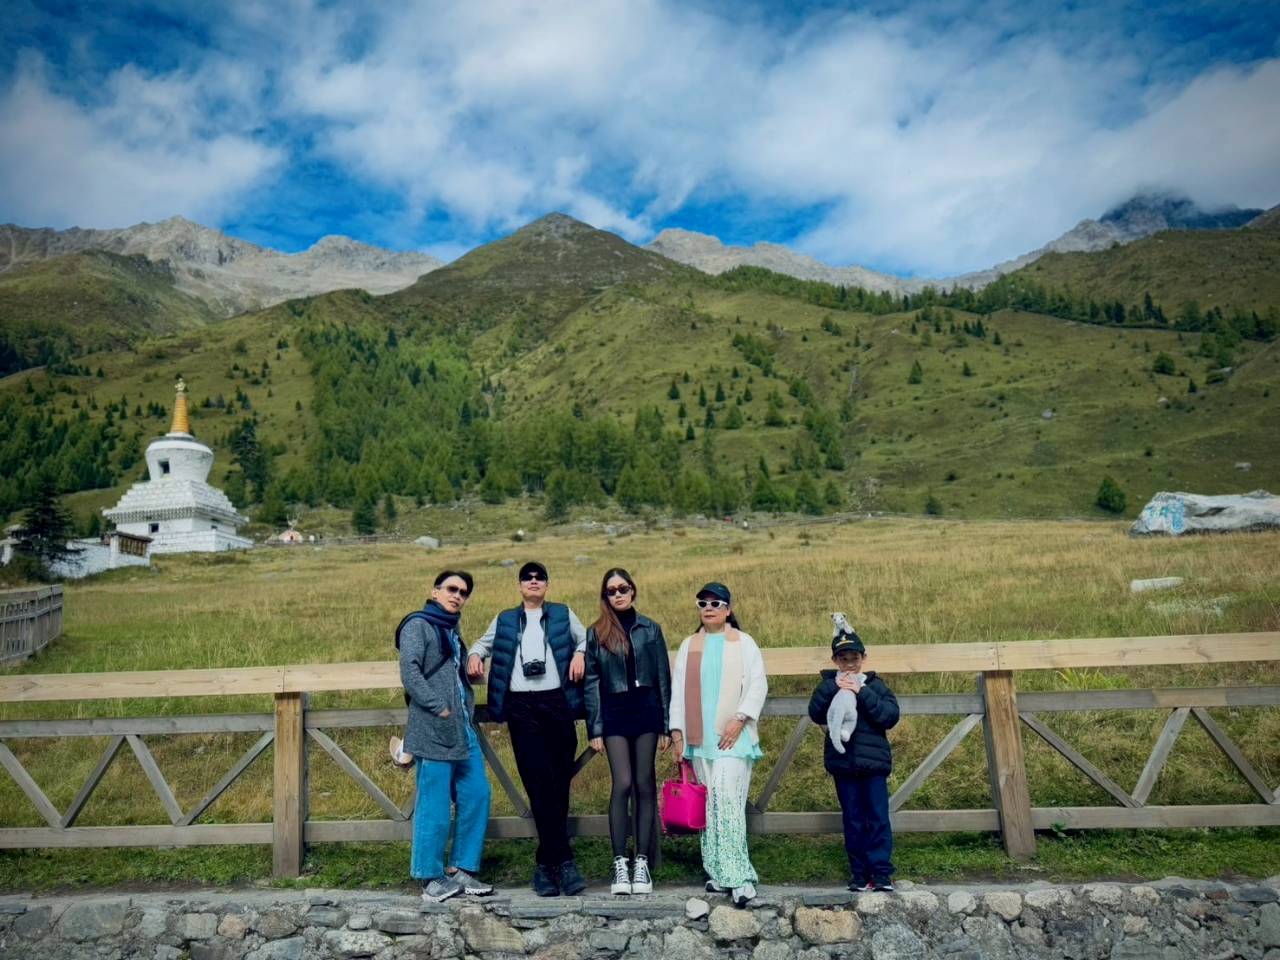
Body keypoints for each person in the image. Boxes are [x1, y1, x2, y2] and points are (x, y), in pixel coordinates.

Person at [467, 561, 589, 896]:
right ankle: (563, 862)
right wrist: (475, 655)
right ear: (520, 585)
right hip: (521, 707)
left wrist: (580, 654)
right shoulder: (505, 618)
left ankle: (546, 865)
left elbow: (586, 639)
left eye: (539, 578)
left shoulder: (563, 613)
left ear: (547, 585)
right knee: (537, 783)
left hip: (557, 702)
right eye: (527, 578)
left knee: (559, 783)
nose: (533, 582)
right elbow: (482, 644)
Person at [396, 569, 494, 903]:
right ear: (435, 591)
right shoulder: (417, 625)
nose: (458, 596)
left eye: (464, 593)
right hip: (433, 728)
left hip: (462, 729)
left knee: (477, 793)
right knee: (434, 804)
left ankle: (461, 869)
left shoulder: (451, 629)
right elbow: (410, 670)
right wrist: (438, 706)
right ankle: (430, 877)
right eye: (452, 589)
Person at [668, 582, 767, 908]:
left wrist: (740, 719)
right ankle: (717, 871)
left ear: (728, 609)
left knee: (727, 801)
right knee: (709, 806)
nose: (709, 608)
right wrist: (678, 734)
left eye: (716, 603)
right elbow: (678, 692)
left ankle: (739, 876)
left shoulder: (744, 643)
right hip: (699, 740)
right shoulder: (689, 645)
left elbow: (758, 684)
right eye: (703, 603)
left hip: (732, 737)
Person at [583, 568, 672, 896]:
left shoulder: (650, 628)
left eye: (623, 588)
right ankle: (620, 861)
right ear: (605, 596)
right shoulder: (596, 632)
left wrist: (666, 725)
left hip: (646, 711)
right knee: (622, 783)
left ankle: (642, 863)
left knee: (644, 783)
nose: (618, 594)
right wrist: (595, 726)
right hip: (614, 714)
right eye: (611, 591)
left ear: (632, 590)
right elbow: (591, 682)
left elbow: (662, 676)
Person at [807, 622, 900, 892]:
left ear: (863, 658)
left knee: (878, 817)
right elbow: (815, 712)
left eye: (854, 658)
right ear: (835, 660)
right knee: (853, 819)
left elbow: (889, 716)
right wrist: (832, 688)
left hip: (874, 764)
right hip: (844, 764)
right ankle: (858, 873)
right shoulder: (827, 685)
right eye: (843, 658)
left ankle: (881, 873)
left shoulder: (876, 685)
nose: (849, 664)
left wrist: (862, 691)